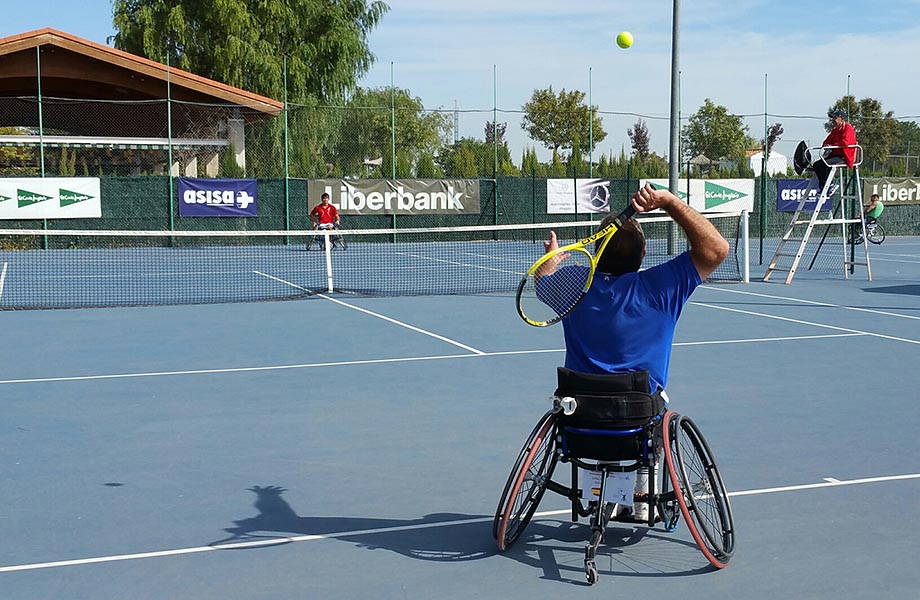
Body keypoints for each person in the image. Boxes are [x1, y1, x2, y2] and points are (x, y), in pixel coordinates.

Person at [543, 183, 729, 521]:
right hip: (639, 418)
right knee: (653, 411)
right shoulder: (661, 288)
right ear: (643, 255)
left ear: (595, 254)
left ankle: (602, 490)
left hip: (579, 418)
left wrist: (552, 261)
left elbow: (542, 280)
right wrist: (670, 202)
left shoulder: (572, 286)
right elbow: (716, 249)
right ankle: (640, 497)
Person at [812, 108, 857, 197]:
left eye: (835, 118)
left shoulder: (848, 128)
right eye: (833, 118)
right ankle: (824, 187)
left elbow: (846, 142)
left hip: (844, 156)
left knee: (825, 164)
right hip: (835, 155)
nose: (833, 120)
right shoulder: (835, 130)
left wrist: (833, 146)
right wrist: (826, 146)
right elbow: (827, 141)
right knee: (817, 165)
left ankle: (830, 185)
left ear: (842, 119)